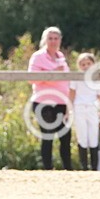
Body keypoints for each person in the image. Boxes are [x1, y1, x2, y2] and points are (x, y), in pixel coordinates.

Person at [27, 26, 73, 170]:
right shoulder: (38, 57)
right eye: (50, 38)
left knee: (65, 137)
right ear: (45, 40)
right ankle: (48, 169)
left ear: (60, 40)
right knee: (48, 136)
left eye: (56, 38)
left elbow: (67, 80)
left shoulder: (61, 57)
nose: (53, 41)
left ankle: (68, 168)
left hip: (62, 102)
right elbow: (32, 78)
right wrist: (52, 73)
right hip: (44, 102)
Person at [70, 52, 100, 171]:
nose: (86, 66)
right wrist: (69, 109)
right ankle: (84, 166)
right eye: (83, 64)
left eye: (88, 63)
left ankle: (95, 167)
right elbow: (72, 94)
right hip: (79, 107)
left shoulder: (97, 79)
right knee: (82, 136)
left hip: (92, 108)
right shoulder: (76, 78)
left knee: (93, 136)